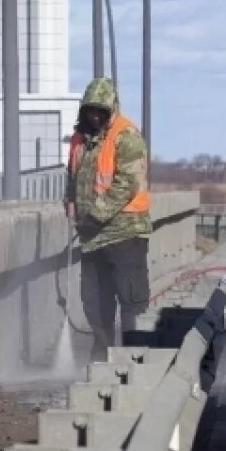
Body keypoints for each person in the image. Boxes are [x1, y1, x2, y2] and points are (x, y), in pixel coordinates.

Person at [65, 76, 152, 355]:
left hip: (125, 232)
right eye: (90, 110)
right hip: (92, 236)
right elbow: (72, 176)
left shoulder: (126, 136)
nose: (94, 115)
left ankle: (133, 355)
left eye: (100, 110)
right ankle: (101, 353)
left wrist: (95, 215)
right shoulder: (79, 139)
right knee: (95, 299)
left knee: (131, 298)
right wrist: (70, 202)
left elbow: (127, 183)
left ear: (111, 109)